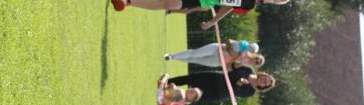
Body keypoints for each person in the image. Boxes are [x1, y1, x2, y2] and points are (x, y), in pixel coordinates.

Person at [110, 0, 291, 31]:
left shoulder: (249, 5)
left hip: (204, 1)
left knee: (169, 4)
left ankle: (128, 2)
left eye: (276, 1)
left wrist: (213, 21)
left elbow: (227, 7)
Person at [165, 66, 275, 102]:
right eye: (265, 79)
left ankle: (167, 101)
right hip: (216, 77)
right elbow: (233, 68)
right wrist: (235, 64)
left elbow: (235, 92)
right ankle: (166, 83)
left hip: (217, 92)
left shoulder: (250, 92)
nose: (264, 81)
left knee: (190, 97)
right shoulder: (248, 70)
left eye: (265, 83)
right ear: (263, 75)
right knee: (190, 78)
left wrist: (239, 83)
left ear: (263, 87)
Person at [165, 40, 265, 69]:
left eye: (257, 62)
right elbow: (229, 41)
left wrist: (235, 63)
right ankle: (172, 57)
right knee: (195, 53)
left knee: (193, 59)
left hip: (217, 62)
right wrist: (233, 52)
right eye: (258, 59)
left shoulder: (245, 66)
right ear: (256, 55)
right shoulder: (244, 47)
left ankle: (174, 58)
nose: (256, 60)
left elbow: (230, 67)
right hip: (217, 49)